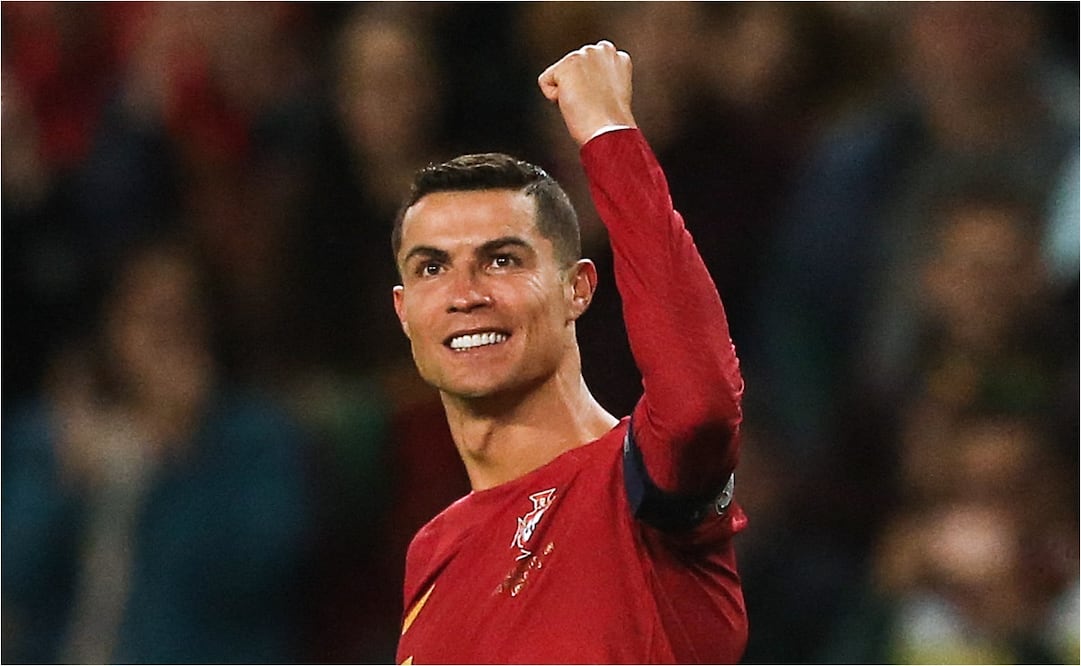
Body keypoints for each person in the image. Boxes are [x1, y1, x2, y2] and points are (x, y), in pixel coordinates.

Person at [390, 41, 747, 664]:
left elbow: (698, 405)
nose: (464, 295)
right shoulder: (433, 552)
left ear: (577, 288)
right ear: (403, 310)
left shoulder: (641, 487)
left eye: (502, 260)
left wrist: (609, 133)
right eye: (432, 268)